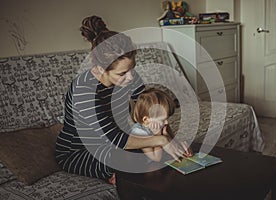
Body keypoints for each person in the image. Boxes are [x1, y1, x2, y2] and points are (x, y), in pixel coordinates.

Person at [55, 15, 190, 186]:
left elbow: (152, 110)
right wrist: (163, 141)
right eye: (122, 73)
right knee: (126, 156)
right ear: (99, 68)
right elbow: (113, 138)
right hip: (79, 151)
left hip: (119, 139)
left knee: (154, 151)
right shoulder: (83, 92)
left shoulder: (129, 76)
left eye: (132, 68)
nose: (131, 77)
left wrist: (172, 139)